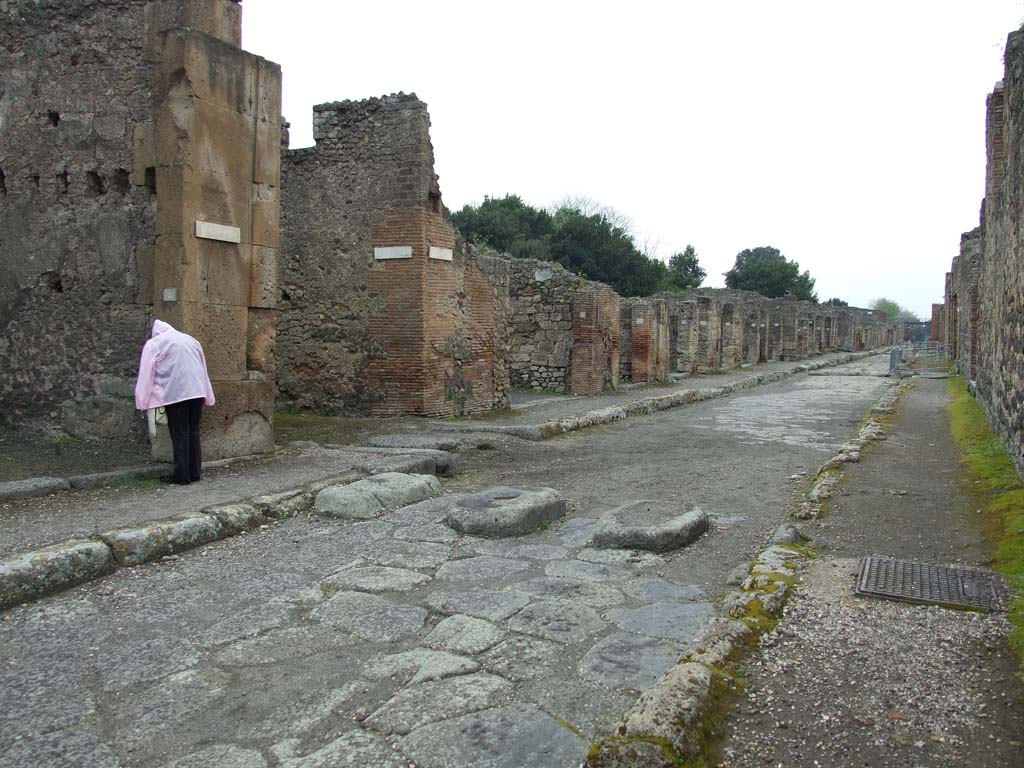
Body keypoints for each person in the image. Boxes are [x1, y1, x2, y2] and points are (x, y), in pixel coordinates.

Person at [134, 319, 216, 485]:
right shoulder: (191, 340)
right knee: (193, 431)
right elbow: (203, 368)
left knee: (179, 434)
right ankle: (194, 472)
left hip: (175, 393)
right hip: (197, 391)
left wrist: (142, 402)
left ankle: (181, 475)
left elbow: (146, 375)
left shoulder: (155, 344)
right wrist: (208, 395)